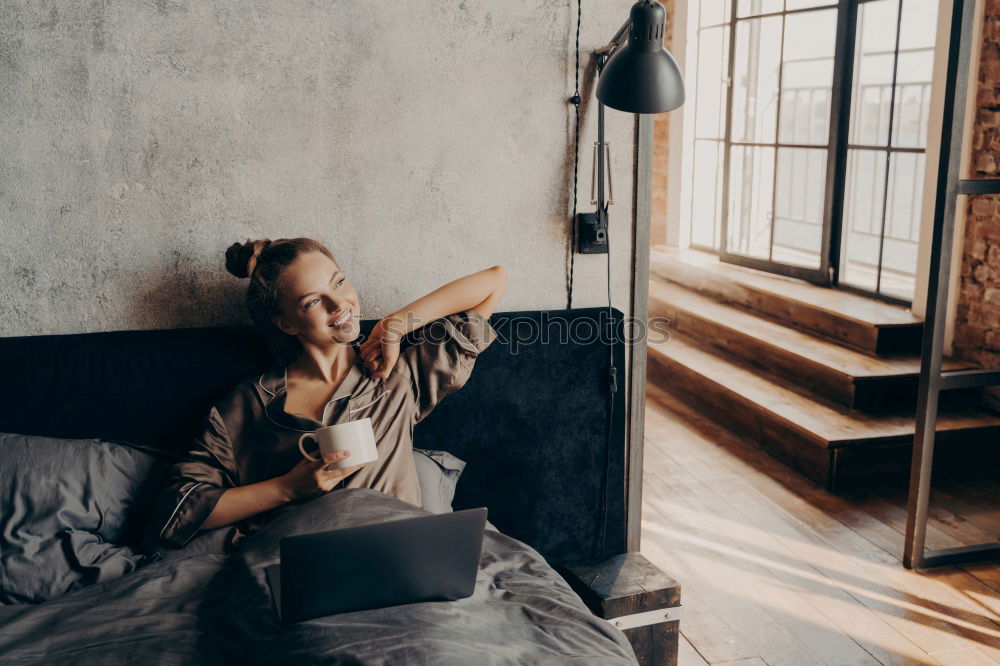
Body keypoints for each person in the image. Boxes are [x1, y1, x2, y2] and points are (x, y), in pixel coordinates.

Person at [141, 237, 506, 553]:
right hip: (300, 568)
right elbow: (176, 510)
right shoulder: (247, 406)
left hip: (402, 556)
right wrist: (286, 488)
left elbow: (494, 282)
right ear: (285, 324)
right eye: (313, 302)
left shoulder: (397, 375)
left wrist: (395, 324)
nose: (340, 305)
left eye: (340, 283)